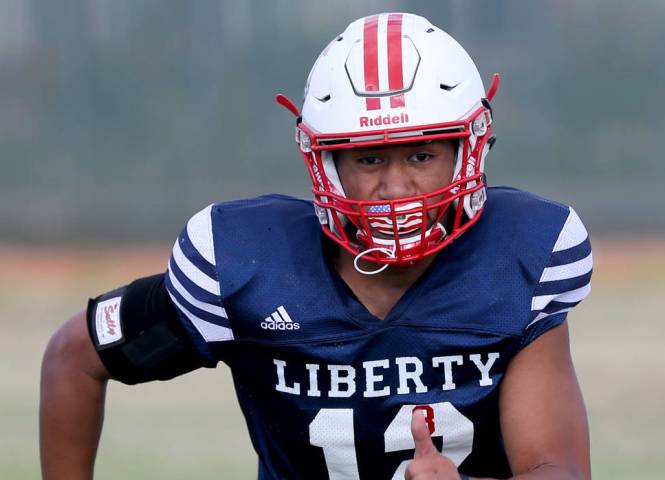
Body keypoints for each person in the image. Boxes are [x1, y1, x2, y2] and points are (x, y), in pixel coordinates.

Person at [40, 12, 592, 480]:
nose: (395, 188)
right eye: (369, 158)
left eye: (421, 156)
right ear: (325, 162)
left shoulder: (518, 263)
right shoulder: (244, 270)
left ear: (467, 151)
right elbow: (73, 359)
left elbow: (558, 467)